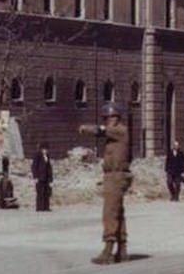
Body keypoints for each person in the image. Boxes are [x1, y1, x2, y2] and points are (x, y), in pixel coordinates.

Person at [78, 101, 131, 265]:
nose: (107, 120)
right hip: (113, 175)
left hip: (116, 176)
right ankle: (122, 250)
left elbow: (100, 131)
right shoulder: (115, 134)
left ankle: (107, 251)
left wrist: (85, 128)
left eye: (110, 117)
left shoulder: (120, 131)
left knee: (109, 212)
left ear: (117, 117)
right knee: (118, 212)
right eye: (106, 118)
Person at [31, 142, 54, 212]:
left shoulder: (47, 156)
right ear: (41, 149)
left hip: (46, 177)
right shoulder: (37, 155)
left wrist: (51, 178)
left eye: (46, 149)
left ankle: (46, 207)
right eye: (44, 149)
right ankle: (40, 207)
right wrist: (35, 177)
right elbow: (34, 166)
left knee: (47, 193)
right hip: (40, 177)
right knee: (40, 193)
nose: (45, 150)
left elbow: (49, 167)